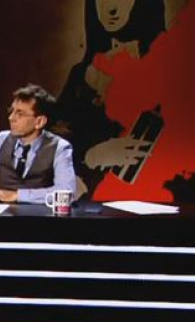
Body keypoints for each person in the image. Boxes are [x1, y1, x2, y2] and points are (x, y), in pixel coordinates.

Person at [52, 0, 166, 198]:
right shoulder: (82, 76)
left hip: (154, 195)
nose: (111, 8)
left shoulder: (166, 71)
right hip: (94, 198)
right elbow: (55, 140)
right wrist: (93, 155)